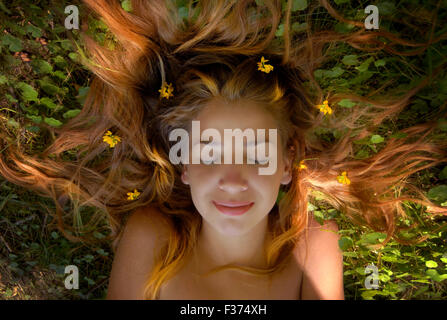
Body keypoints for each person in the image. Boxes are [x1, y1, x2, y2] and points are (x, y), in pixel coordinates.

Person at [0, 0, 445, 300]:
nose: (233, 180)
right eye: (211, 154)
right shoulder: (153, 236)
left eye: (255, 155)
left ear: (287, 162)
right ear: (186, 166)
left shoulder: (315, 249)